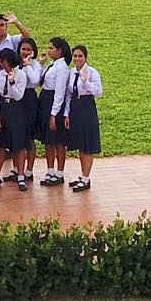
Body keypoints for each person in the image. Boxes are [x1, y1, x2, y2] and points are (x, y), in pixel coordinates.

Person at [0, 48, 29, 191]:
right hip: (3, 108)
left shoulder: (21, 75)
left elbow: (18, 96)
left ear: (5, 61)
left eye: (0, 59)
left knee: (19, 144)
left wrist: (11, 83)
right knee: (1, 144)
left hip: (16, 109)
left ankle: (21, 176)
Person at [64, 45, 103, 192]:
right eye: (75, 56)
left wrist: (86, 82)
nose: (77, 59)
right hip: (75, 107)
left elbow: (98, 91)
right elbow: (68, 94)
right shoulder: (71, 72)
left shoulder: (92, 72)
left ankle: (86, 178)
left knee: (87, 144)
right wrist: (67, 113)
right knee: (80, 143)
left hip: (87, 107)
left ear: (85, 57)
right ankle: (83, 176)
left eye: (80, 56)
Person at [38, 37, 72, 187]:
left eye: (51, 48)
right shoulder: (52, 65)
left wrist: (54, 113)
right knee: (48, 140)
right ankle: (50, 170)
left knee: (58, 141)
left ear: (60, 51)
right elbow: (41, 81)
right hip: (45, 100)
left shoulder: (62, 68)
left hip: (54, 102)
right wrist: (41, 64)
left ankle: (59, 173)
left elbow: (59, 92)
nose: (49, 50)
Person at [17, 37, 41, 182]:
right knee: (17, 135)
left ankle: (29, 170)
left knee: (30, 136)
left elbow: (35, 80)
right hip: (16, 99)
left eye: (28, 50)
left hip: (29, 98)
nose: (25, 52)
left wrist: (27, 66)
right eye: (23, 49)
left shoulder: (36, 65)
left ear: (33, 51)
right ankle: (17, 169)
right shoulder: (15, 63)